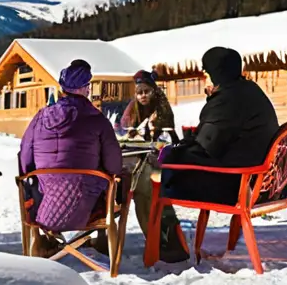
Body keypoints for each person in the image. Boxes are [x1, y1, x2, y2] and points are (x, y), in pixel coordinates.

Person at [19, 59, 123, 257]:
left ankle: (46, 241)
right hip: (85, 206)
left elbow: (25, 160)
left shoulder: (40, 117)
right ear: (85, 88)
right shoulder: (97, 119)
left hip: (45, 208)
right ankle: (104, 241)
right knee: (116, 183)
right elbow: (114, 165)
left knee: (36, 185)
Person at [162, 47, 280, 206]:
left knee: (164, 168)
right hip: (260, 180)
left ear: (215, 73)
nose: (204, 76)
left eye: (207, 71)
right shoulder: (249, 89)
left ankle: (166, 230)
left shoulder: (228, 98)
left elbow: (205, 147)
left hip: (236, 184)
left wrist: (169, 153)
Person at [115, 70, 188, 262]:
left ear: (154, 91)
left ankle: (161, 237)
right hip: (138, 156)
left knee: (145, 188)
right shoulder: (133, 108)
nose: (143, 96)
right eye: (139, 92)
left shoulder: (162, 108)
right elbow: (124, 129)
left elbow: (167, 137)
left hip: (162, 159)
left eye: (147, 91)